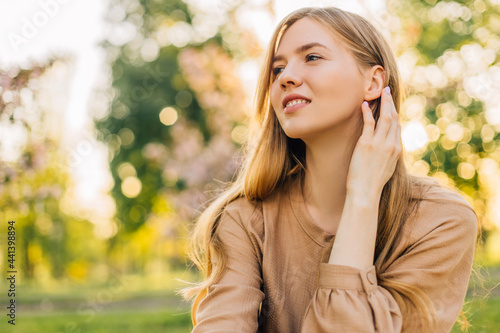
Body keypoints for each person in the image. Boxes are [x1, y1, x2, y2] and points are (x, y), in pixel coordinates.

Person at [182, 6, 477, 333]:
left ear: (373, 81)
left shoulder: (442, 221)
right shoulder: (244, 219)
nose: (285, 78)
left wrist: (362, 198)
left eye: (311, 58)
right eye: (277, 68)